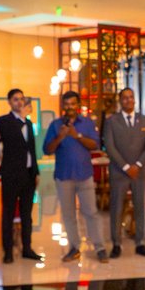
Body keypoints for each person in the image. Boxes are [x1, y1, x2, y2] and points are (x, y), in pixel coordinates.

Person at [45, 90, 106, 263]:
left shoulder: (86, 123)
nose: (70, 107)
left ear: (78, 105)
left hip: (84, 174)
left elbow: (95, 145)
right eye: (66, 104)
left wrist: (76, 135)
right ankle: (74, 248)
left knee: (91, 212)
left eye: (73, 104)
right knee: (68, 215)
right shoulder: (56, 125)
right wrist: (61, 136)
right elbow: (47, 149)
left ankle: (100, 248)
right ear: (63, 106)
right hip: (64, 176)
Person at [103, 87, 145, 258]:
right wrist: (126, 167)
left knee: (140, 206)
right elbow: (109, 147)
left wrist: (138, 165)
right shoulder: (111, 121)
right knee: (117, 208)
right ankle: (116, 244)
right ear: (120, 101)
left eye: (131, 97)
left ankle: (140, 242)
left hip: (140, 172)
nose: (128, 100)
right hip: (119, 172)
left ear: (135, 99)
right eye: (124, 98)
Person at [0, 87, 43, 264]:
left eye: (21, 99)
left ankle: (27, 248)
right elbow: (12, 140)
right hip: (11, 175)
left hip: (28, 175)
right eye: (15, 99)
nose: (19, 102)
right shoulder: (4, 121)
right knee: (8, 214)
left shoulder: (29, 124)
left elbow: (31, 149)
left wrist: (36, 172)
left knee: (26, 214)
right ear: (9, 102)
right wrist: (22, 118)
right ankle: (8, 251)